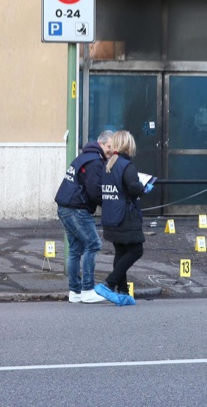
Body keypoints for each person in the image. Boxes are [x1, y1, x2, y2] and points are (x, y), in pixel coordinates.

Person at [54, 129, 113, 303]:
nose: (111, 150)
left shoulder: (86, 156)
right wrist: (111, 204)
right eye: (109, 146)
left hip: (65, 206)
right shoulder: (95, 161)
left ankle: (75, 292)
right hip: (76, 209)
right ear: (101, 144)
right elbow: (94, 192)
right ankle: (87, 289)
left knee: (75, 249)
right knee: (93, 244)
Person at [94, 130, 151, 306]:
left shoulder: (109, 164)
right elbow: (134, 189)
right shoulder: (127, 166)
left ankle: (124, 292)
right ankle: (109, 284)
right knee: (136, 250)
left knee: (121, 252)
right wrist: (144, 188)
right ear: (128, 145)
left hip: (112, 216)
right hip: (125, 216)